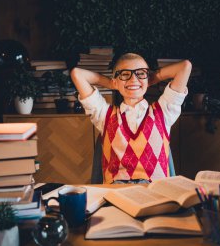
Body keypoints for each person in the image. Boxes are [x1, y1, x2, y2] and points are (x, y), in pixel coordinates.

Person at [70, 53, 192, 184]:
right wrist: (113, 84)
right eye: (124, 74)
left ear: (148, 78)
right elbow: (77, 74)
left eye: (141, 73)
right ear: (115, 80)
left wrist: (151, 79)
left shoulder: (164, 111)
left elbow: (185, 67)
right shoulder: (104, 115)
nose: (133, 79)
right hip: (117, 195)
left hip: (156, 195)